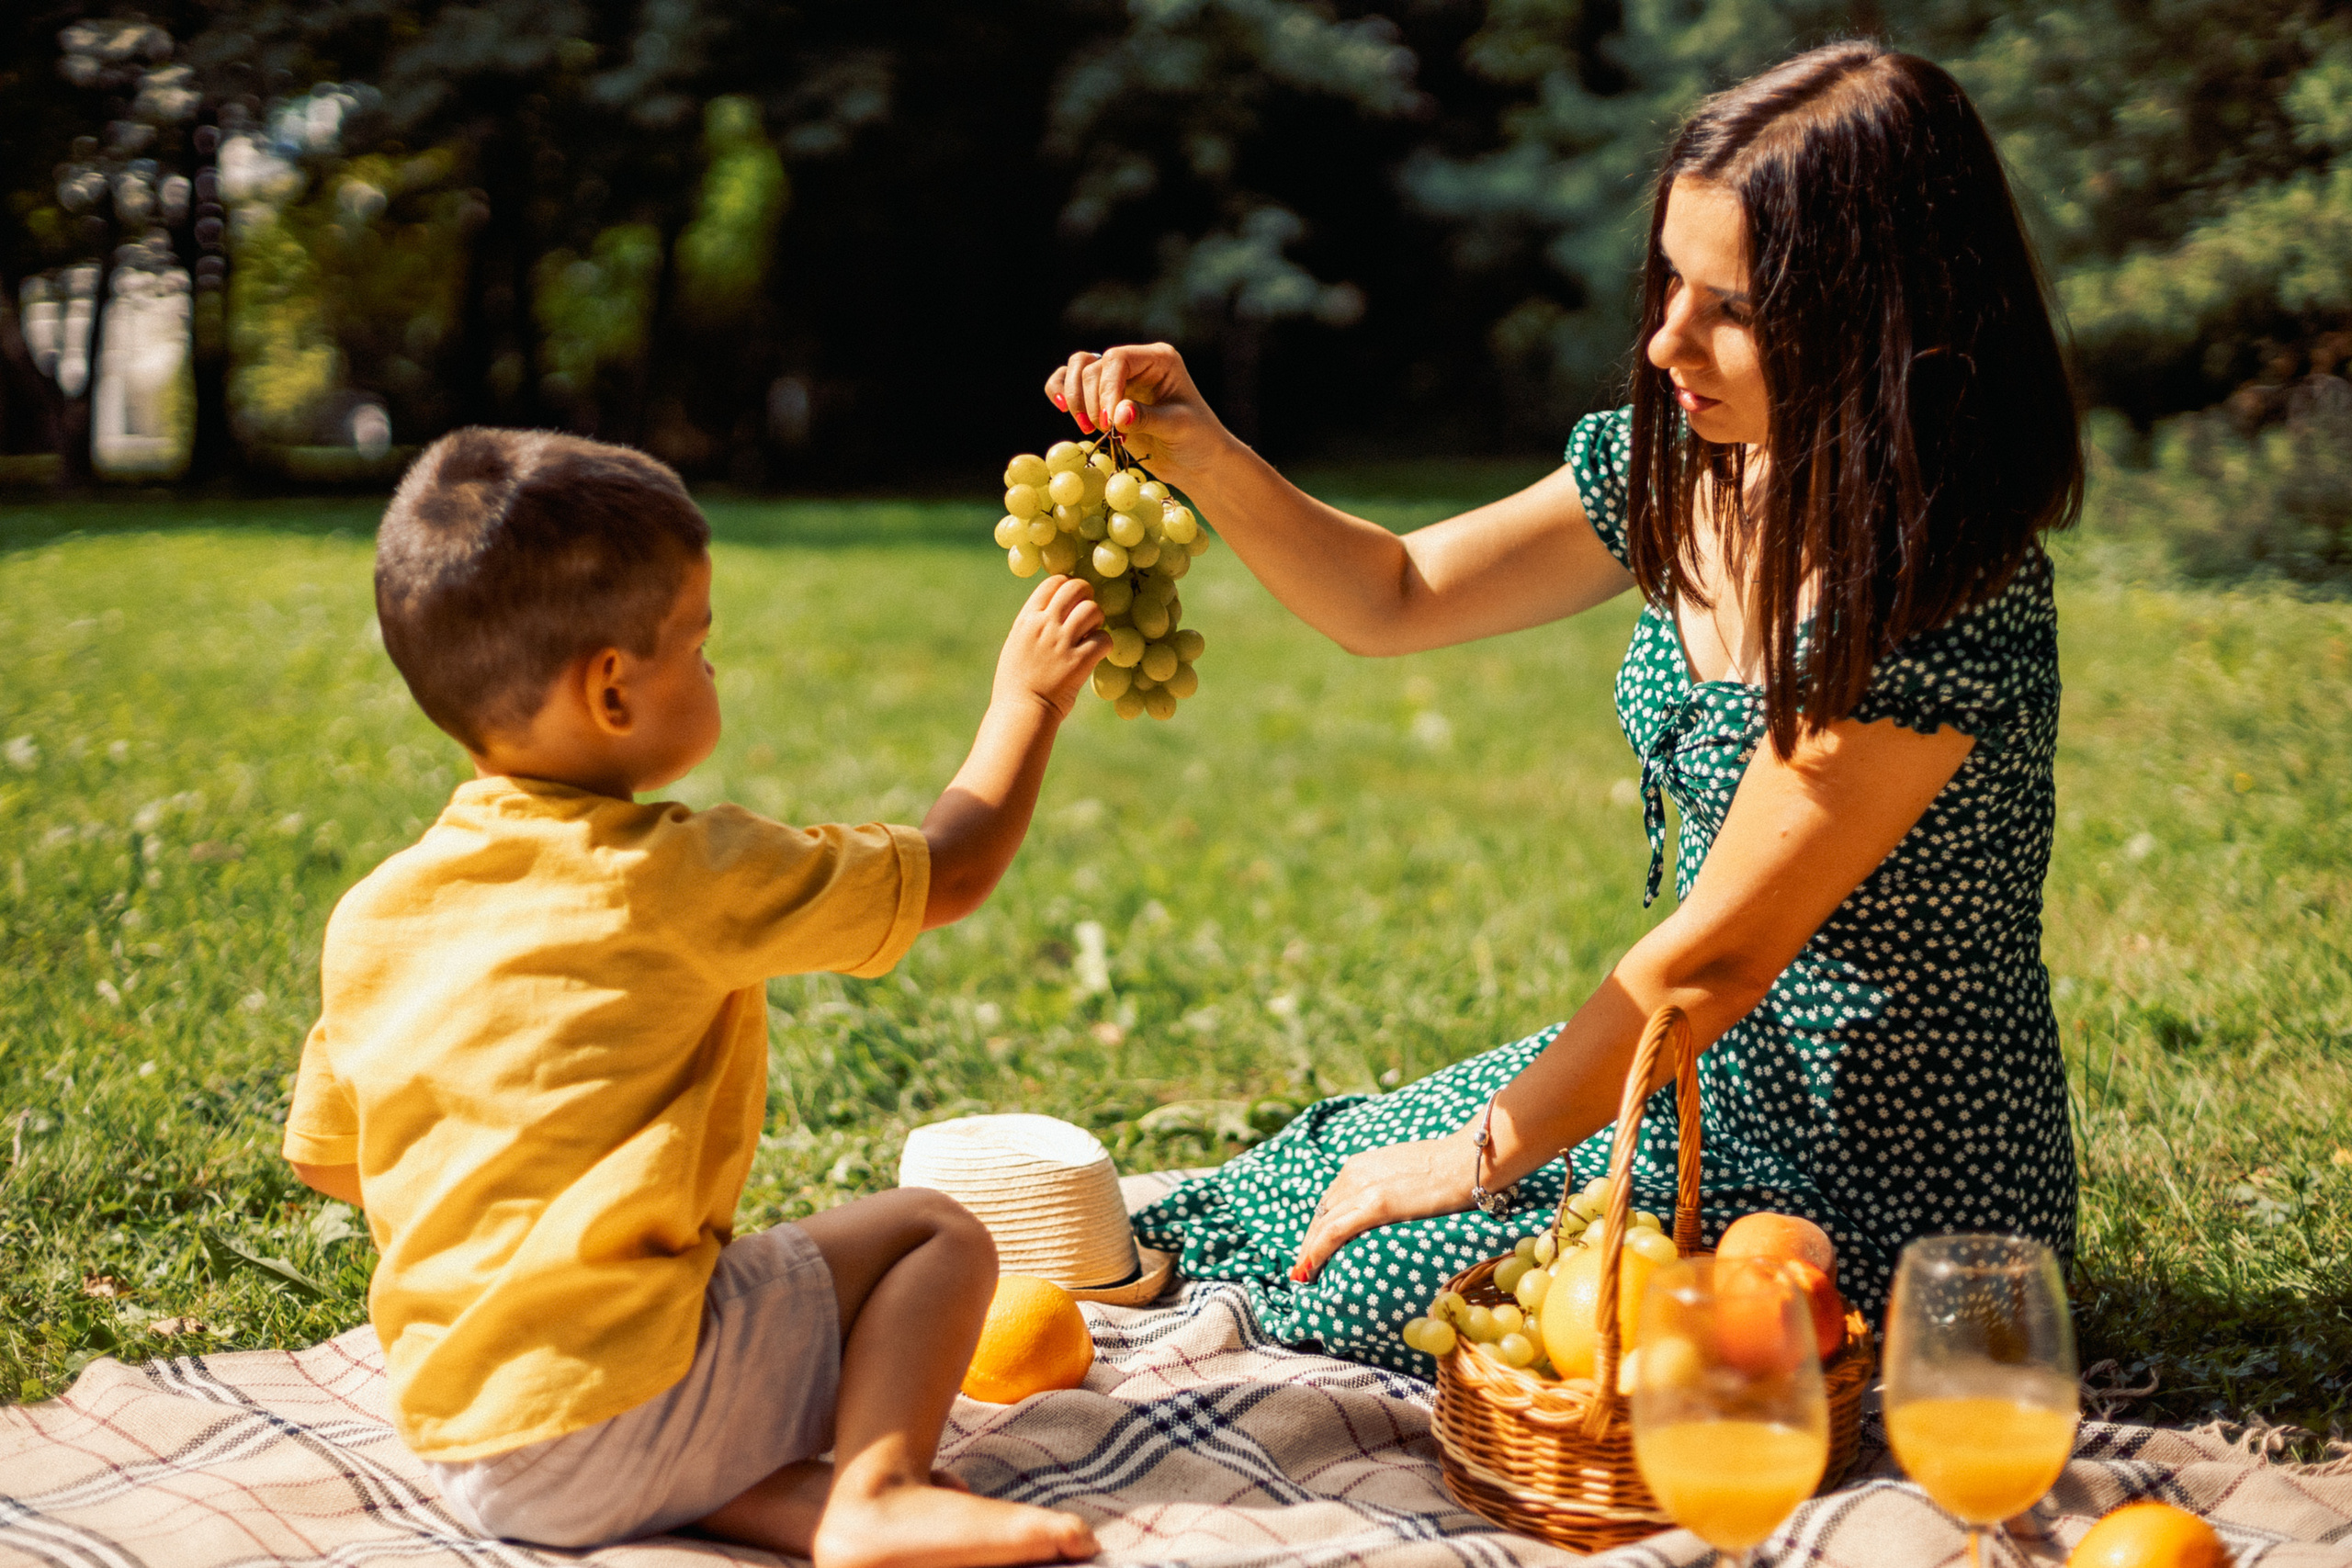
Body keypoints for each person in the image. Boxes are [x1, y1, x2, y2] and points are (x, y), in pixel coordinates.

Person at [1044, 39, 2083, 1374]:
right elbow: (1397, 593)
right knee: (1288, 1189)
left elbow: (1711, 959)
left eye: (1732, 308)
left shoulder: (1938, 592)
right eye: (1667, 283)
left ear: (1884, 317)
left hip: (1887, 1178)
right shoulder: (1685, 470)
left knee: (1366, 1273)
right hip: (1693, 1070)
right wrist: (1202, 449)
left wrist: (1472, 1158)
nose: (1663, 342)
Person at [281, 428, 1105, 1566]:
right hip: (617, 1412)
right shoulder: (676, 874)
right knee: (936, 1236)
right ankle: (874, 1491)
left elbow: (332, 1162)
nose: (714, 669)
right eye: (699, 645)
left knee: (703, 1303)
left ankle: (751, 1499)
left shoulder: (376, 914)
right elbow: (950, 874)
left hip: (464, 1447)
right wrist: (1031, 699)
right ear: (613, 688)